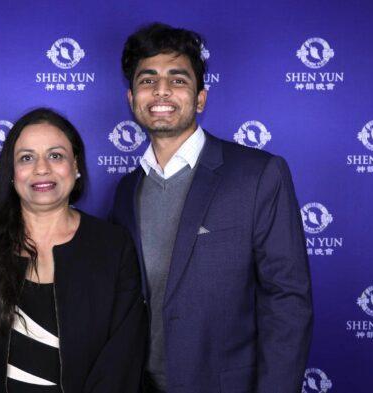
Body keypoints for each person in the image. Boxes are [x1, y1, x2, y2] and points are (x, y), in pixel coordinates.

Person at [111, 23, 313, 393]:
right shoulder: (126, 190)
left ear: (200, 98)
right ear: (131, 98)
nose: (161, 91)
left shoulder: (258, 175)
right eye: (147, 80)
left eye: (178, 79)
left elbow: (287, 302)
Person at [0, 108, 147, 393]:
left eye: (56, 155)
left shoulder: (114, 245)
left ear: (77, 166)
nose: (42, 168)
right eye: (26, 158)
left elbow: (122, 358)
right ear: (12, 174)